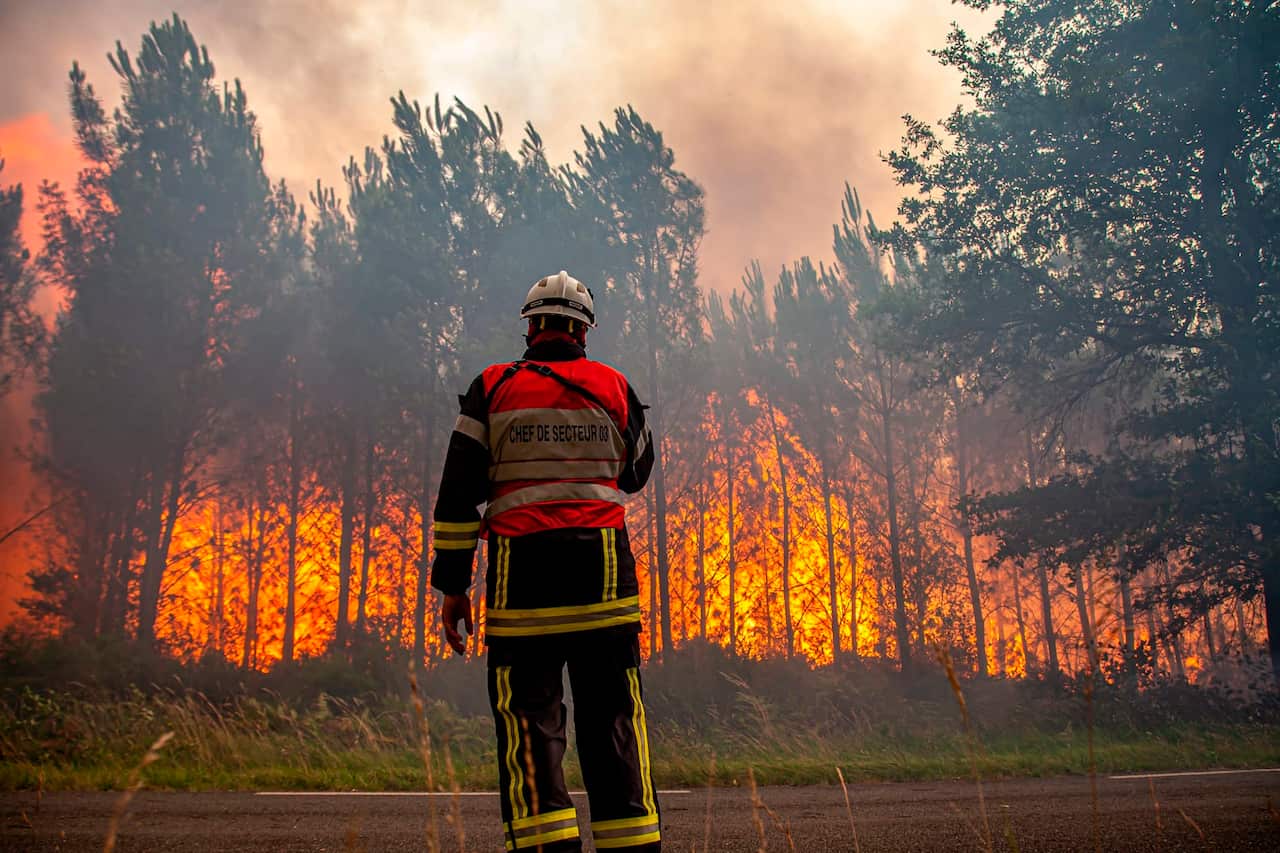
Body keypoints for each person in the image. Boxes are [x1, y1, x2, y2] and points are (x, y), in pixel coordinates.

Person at [431, 270, 660, 852]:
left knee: (530, 732)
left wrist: (453, 587)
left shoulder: (491, 387)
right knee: (614, 726)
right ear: (584, 332)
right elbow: (635, 474)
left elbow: (458, 496)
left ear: (530, 326)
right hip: (605, 589)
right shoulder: (614, 386)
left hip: (522, 592)